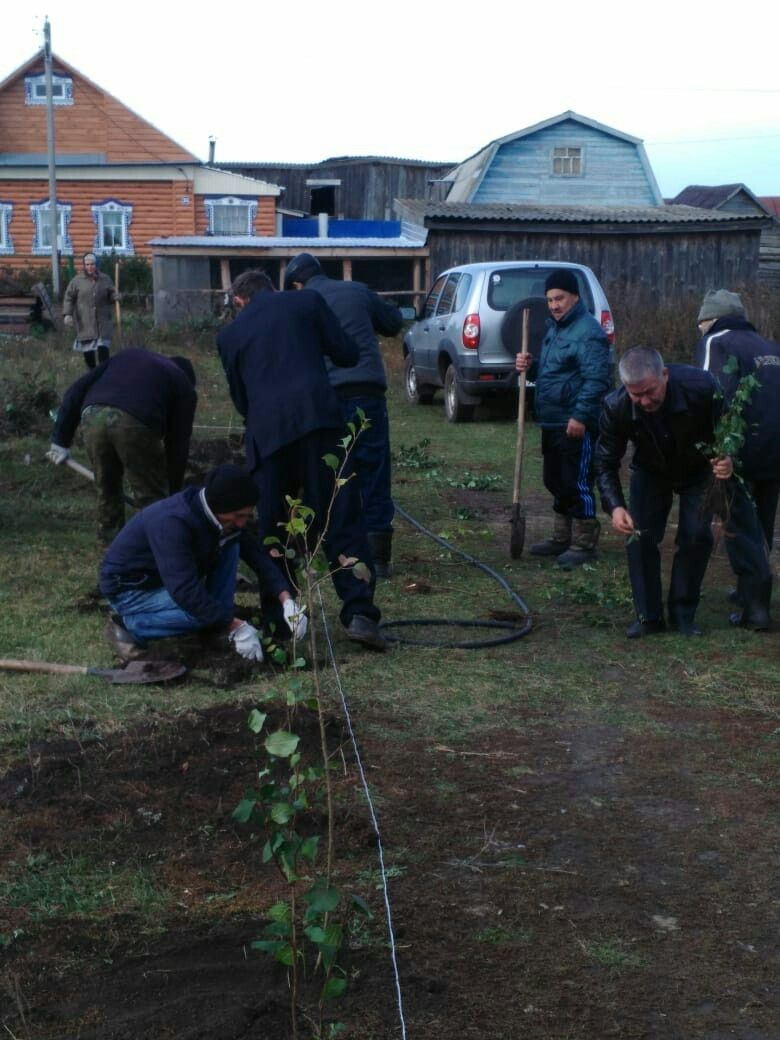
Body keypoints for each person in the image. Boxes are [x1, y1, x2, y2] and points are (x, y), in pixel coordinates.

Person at [216, 269, 387, 651]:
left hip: (268, 437)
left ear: (240, 301)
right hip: (320, 423)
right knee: (338, 514)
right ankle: (360, 613)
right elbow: (346, 352)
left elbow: (242, 401)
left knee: (274, 527)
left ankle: (282, 620)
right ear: (273, 289)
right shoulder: (306, 301)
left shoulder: (229, 334)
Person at [595, 346, 772, 637]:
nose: (644, 401)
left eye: (650, 391)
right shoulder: (616, 407)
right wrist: (615, 506)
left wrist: (728, 457)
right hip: (650, 472)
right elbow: (604, 461)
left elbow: (729, 430)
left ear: (664, 375)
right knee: (639, 537)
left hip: (697, 471)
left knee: (696, 536)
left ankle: (682, 614)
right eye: (635, 395)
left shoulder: (701, 387)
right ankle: (648, 616)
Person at [100, 464, 307, 662]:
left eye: (247, 515)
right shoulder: (172, 523)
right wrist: (235, 625)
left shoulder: (220, 517)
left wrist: (287, 600)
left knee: (233, 544)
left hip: (166, 579)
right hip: (131, 588)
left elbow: (258, 558)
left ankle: (218, 624)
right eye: (238, 516)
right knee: (200, 612)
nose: (242, 522)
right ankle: (128, 626)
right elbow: (184, 592)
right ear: (220, 508)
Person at [284, 253, 403, 578]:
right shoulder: (357, 291)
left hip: (327, 397)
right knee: (374, 467)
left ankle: (337, 549)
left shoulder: (300, 302)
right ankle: (378, 558)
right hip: (367, 393)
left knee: (331, 471)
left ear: (297, 283)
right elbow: (393, 322)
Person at [46, 348, 197, 545]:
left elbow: (76, 390)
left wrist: (60, 440)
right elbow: (177, 445)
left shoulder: (128, 356)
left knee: (107, 486)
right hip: (133, 422)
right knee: (151, 496)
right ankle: (158, 546)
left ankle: (111, 544)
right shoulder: (183, 384)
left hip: (92, 416)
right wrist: (172, 493)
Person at [515, 268, 611, 567]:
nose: (554, 305)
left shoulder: (588, 332)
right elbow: (553, 371)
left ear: (575, 297)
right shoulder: (555, 329)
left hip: (576, 422)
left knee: (576, 480)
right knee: (554, 479)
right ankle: (561, 536)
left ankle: (584, 542)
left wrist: (580, 416)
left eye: (560, 298)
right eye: (550, 300)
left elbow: (597, 379)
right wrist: (529, 366)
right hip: (553, 419)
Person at [694, 288, 780, 559]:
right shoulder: (769, 345)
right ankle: (761, 580)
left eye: (701, 322)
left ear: (710, 319)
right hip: (774, 447)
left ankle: (751, 591)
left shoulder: (716, 342)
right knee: (763, 516)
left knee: (739, 522)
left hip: (739, 452)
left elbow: (708, 391)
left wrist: (712, 447)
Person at [62, 253, 118, 368]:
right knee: (88, 352)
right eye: (87, 264)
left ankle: (103, 375)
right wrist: (67, 314)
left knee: (103, 349)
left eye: (92, 264)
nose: (90, 267)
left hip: (102, 322)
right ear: (84, 265)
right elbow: (69, 298)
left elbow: (111, 294)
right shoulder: (77, 281)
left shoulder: (105, 279)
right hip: (85, 321)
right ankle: (92, 374)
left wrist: (115, 297)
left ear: (97, 265)